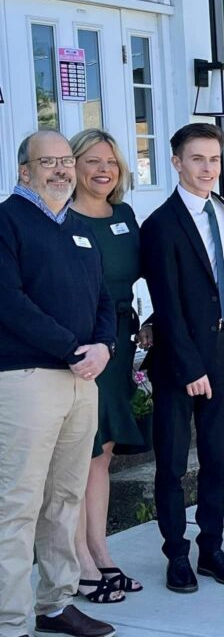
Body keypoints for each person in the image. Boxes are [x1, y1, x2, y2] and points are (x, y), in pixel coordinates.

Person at [0, 131, 116, 637]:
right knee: (18, 503)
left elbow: (105, 299)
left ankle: (55, 603)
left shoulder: (76, 226)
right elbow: (8, 301)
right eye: (46, 162)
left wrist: (105, 345)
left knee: (65, 497)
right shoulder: (7, 220)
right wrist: (73, 348)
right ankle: (10, 619)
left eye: (65, 160)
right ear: (24, 171)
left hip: (81, 380)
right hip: (27, 379)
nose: (61, 170)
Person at [140, 122, 224, 592]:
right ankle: (177, 555)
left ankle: (211, 548)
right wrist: (190, 367)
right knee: (171, 463)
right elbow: (165, 301)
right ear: (176, 162)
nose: (207, 168)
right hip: (179, 360)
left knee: (217, 460)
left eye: (214, 159)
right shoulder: (160, 225)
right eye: (197, 159)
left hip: (222, 349)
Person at [68, 130, 153, 604]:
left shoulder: (124, 216)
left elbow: (152, 271)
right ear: (73, 165)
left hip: (120, 342)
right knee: (79, 452)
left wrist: (154, 321)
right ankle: (77, 556)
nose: (104, 170)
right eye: (92, 160)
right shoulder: (60, 219)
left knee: (102, 452)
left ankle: (101, 550)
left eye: (112, 162)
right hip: (82, 348)